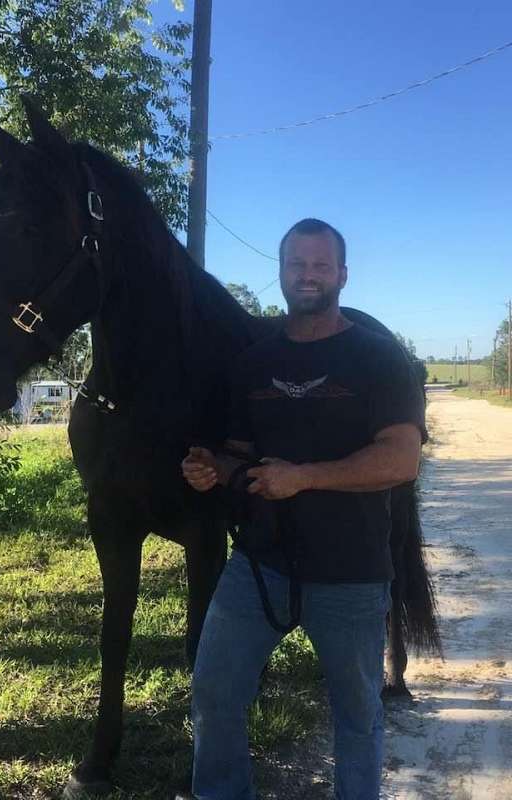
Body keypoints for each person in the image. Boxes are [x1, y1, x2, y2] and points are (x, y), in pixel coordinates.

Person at [178, 218, 426, 800]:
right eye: (297, 264)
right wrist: (211, 468)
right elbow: (239, 457)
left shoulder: (378, 358)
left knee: (357, 717)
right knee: (213, 693)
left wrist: (304, 479)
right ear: (281, 272)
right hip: (258, 567)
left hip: (351, 576)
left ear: (342, 274)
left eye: (320, 265)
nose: (307, 275)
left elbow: (400, 460)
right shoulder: (252, 363)